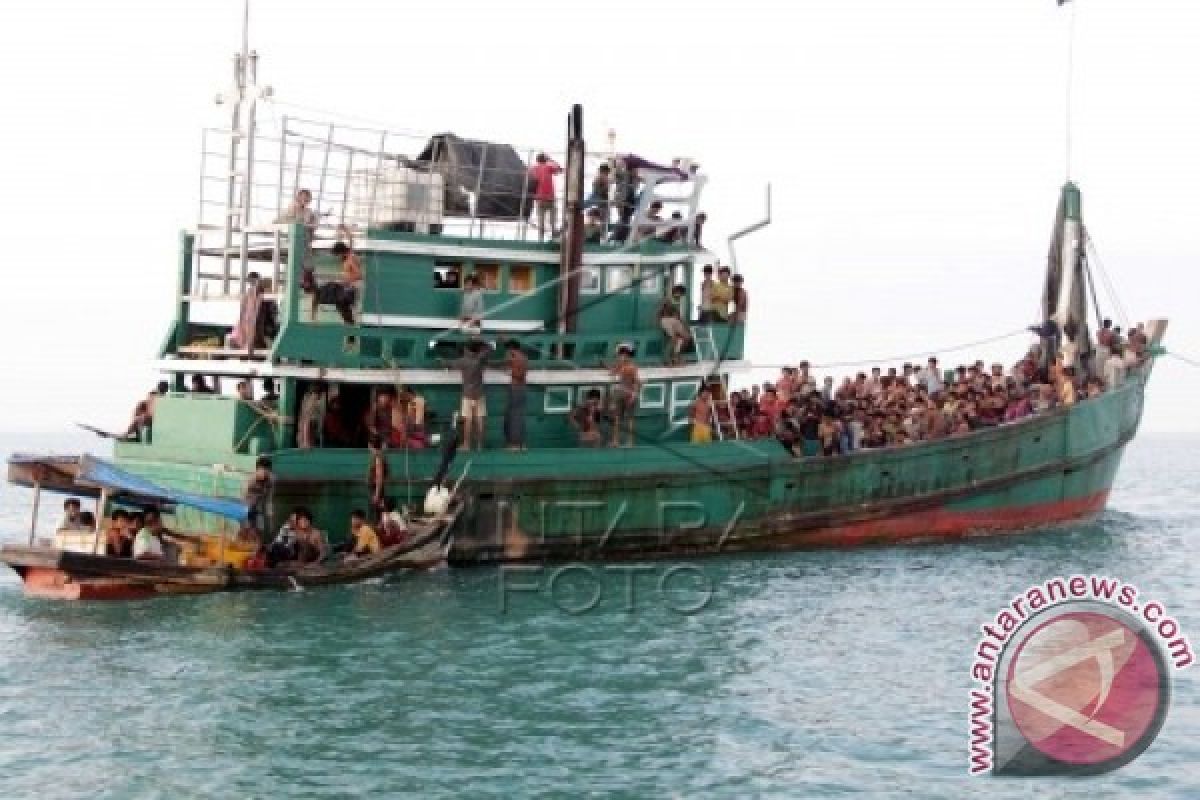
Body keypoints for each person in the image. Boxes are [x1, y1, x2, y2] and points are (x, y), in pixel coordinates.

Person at [450, 340, 489, 451]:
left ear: (468, 349)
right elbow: (487, 348)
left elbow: (449, 364)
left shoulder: (463, 361)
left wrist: (441, 361)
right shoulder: (480, 360)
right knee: (480, 419)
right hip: (479, 393)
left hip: (467, 394)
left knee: (468, 420)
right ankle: (480, 445)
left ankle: (466, 444)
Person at [608, 345, 641, 447]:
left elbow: (637, 382)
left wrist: (634, 395)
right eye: (620, 355)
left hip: (629, 394)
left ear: (627, 356)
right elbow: (612, 373)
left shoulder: (632, 367)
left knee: (630, 419)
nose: (620, 357)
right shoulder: (621, 365)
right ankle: (615, 441)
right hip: (621, 394)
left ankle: (630, 442)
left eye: (622, 355)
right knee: (617, 418)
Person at [528, 153, 562, 241]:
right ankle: (554, 236)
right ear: (545, 160)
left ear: (537, 160)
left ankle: (540, 239)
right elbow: (560, 169)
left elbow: (530, 182)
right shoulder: (548, 167)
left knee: (541, 220)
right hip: (550, 197)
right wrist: (551, 160)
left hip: (539, 198)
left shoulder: (532, 169)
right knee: (553, 220)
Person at [503, 339, 528, 451]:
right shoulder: (522, 357)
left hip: (516, 388)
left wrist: (510, 372)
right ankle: (520, 443)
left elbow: (519, 374)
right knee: (516, 416)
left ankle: (515, 444)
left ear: (511, 349)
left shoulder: (516, 358)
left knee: (515, 417)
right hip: (520, 388)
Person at [658, 285, 691, 366]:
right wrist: (658, 322)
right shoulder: (667, 300)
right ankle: (667, 359)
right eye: (678, 292)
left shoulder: (680, 302)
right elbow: (659, 312)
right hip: (666, 320)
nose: (679, 295)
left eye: (681, 294)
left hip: (675, 320)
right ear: (674, 292)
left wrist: (686, 326)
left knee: (687, 337)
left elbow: (678, 316)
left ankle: (676, 356)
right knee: (674, 338)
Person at [243, 456, 274, 536]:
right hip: (247, 508)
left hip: (258, 509)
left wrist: (270, 520)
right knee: (246, 530)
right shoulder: (251, 479)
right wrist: (246, 515)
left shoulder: (270, 481)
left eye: (267, 470)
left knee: (259, 530)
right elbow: (244, 495)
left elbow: (269, 500)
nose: (264, 472)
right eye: (262, 469)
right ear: (257, 469)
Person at [297, 381, 327, 449]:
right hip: (309, 424)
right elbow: (306, 419)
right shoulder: (310, 398)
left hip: (312, 424)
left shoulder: (312, 397)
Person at [367, 435, 389, 519]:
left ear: (370, 445)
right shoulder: (380, 456)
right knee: (379, 514)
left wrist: (376, 494)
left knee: (377, 515)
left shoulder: (378, 458)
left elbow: (379, 477)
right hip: (376, 489)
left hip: (375, 490)